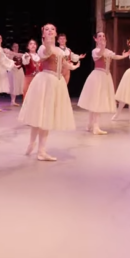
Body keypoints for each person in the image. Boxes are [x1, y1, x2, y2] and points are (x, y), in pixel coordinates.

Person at [17, 24, 80, 161]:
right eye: (47, 29)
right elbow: (46, 53)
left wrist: (73, 66)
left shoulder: (59, 49)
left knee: (44, 116)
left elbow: (63, 63)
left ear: (56, 33)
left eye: (52, 29)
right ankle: (38, 149)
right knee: (40, 115)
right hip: (46, 81)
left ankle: (38, 147)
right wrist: (48, 42)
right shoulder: (43, 47)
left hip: (57, 82)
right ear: (43, 34)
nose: (50, 31)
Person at [77, 32, 129, 135]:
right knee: (96, 101)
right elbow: (100, 53)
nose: (102, 38)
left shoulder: (107, 51)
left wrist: (124, 56)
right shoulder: (95, 51)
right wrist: (102, 46)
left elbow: (114, 56)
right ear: (95, 39)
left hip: (105, 77)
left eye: (103, 36)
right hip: (97, 77)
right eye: (99, 36)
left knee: (97, 101)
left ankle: (90, 124)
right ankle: (95, 126)